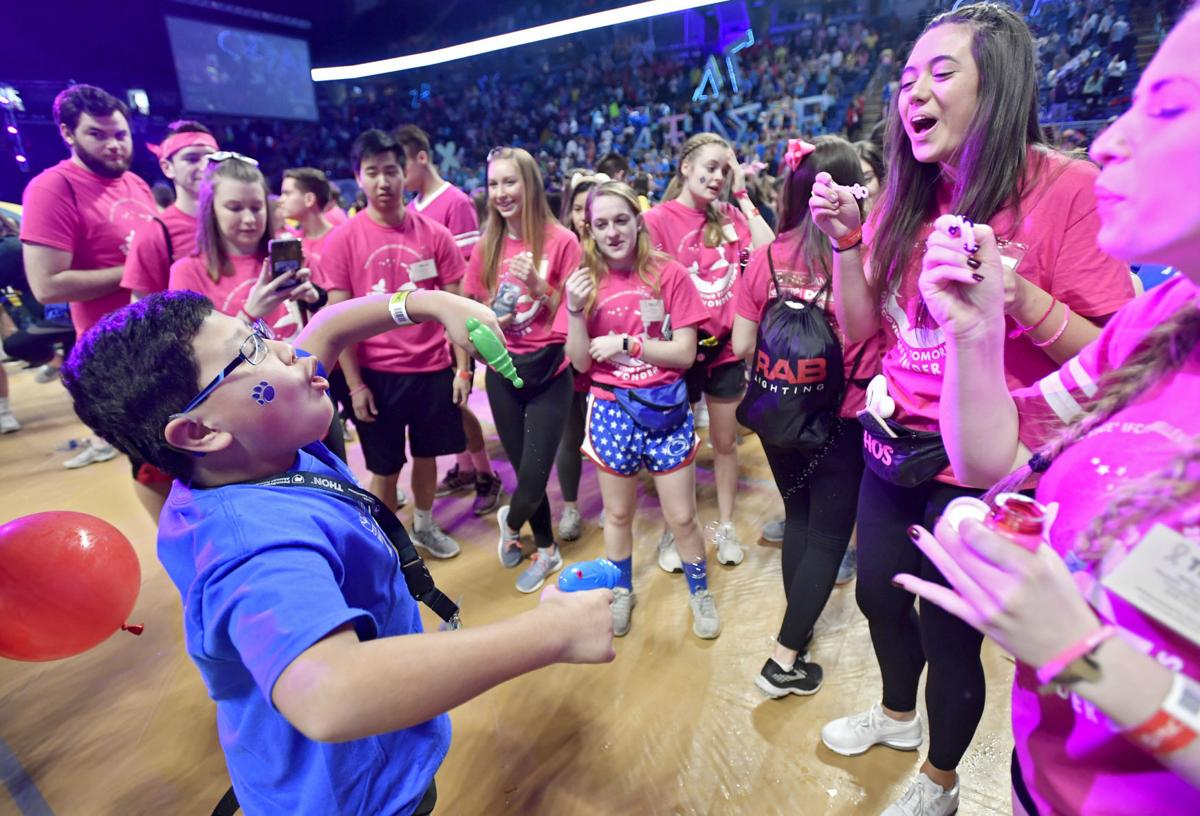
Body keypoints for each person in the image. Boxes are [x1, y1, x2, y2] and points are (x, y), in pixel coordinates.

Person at [60, 286, 615, 816]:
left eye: (261, 333)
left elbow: (326, 326)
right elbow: (328, 693)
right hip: (356, 796)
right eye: (251, 351)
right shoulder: (254, 547)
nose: (285, 349)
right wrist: (552, 632)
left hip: (371, 760)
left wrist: (429, 303)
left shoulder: (257, 451)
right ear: (200, 432)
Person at [808, 5, 1136, 814]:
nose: (913, 92)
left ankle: (941, 781)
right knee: (881, 598)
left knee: (950, 633)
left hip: (989, 467)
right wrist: (847, 243)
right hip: (893, 446)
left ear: (1000, 85)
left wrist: (1017, 297)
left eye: (941, 72)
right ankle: (896, 719)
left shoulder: (1068, 191)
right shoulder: (904, 195)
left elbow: (1116, 356)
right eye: (906, 79)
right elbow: (862, 328)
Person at [897, 7, 1200, 813]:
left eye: (1168, 107)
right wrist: (974, 332)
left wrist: (1083, 655)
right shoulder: (1162, 317)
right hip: (1047, 779)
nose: (1108, 142)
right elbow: (992, 458)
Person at [732, 136, 878, 695]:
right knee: (828, 536)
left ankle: (800, 629)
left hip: (777, 411)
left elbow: (742, 342)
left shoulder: (766, 255)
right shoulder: (862, 258)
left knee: (798, 517)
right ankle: (783, 659)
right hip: (840, 416)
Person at [558, 180, 719, 638]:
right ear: (589, 230)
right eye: (601, 224)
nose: (612, 232)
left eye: (621, 220)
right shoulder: (583, 282)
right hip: (611, 410)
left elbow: (685, 353)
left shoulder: (669, 274)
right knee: (617, 516)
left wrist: (628, 344)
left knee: (682, 516)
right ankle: (621, 590)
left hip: (666, 409)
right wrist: (574, 311)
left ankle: (700, 592)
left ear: (638, 221)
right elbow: (580, 362)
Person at [316, 130, 468, 558]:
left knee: (428, 455)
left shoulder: (436, 234)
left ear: (405, 173)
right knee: (384, 467)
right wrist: (356, 386)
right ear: (357, 177)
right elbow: (338, 321)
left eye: (390, 171)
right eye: (372, 172)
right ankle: (386, 543)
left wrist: (462, 368)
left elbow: (457, 308)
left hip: (432, 369)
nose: (382, 182)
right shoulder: (343, 239)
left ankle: (423, 524)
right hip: (377, 375)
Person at [643, 132, 774, 573]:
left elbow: (768, 249)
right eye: (710, 167)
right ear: (685, 167)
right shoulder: (657, 220)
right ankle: (677, 528)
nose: (717, 176)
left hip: (724, 352)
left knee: (724, 443)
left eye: (724, 169)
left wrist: (743, 194)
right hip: (677, 352)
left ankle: (725, 526)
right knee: (675, 450)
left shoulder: (730, 215)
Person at [20, 84, 160, 486]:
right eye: (97, 135)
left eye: (120, 134)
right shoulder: (52, 189)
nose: (114, 145)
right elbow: (47, 286)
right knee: (152, 468)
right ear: (68, 133)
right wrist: (136, 270)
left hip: (158, 340)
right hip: (113, 352)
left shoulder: (136, 184)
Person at [464, 147, 581, 593]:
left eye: (509, 182)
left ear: (529, 184)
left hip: (550, 372)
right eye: (493, 184)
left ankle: (510, 521)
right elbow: (472, 308)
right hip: (503, 373)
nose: (501, 193)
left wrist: (538, 285)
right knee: (520, 467)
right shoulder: (487, 245)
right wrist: (493, 316)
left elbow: (572, 313)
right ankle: (547, 548)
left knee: (533, 476)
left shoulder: (562, 242)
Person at [395, 124, 502, 517]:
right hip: (425, 330)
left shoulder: (455, 202)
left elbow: (466, 275)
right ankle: (467, 467)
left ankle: (486, 474)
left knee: (457, 402)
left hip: (453, 327)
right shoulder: (413, 208)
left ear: (422, 158)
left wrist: (460, 330)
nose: (397, 176)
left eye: (401, 165)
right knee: (449, 406)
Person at [168, 155, 320, 343]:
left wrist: (315, 303)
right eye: (235, 208)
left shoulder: (293, 257)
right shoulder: (187, 272)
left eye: (256, 208)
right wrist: (249, 315)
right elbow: (193, 354)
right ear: (211, 210)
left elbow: (326, 337)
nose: (249, 219)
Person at [553, 170, 609, 541]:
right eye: (577, 209)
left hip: (608, 362)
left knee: (605, 437)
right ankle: (571, 508)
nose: (584, 217)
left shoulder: (616, 252)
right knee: (569, 435)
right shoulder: (559, 251)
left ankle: (611, 501)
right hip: (567, 360)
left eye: (590, 209)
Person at [122, 120, 218, 299]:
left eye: (211, 159)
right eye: (192, 159)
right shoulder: (154, 233)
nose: (204, 167)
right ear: (167, 167)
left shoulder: (236, 221)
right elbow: (140, 308)